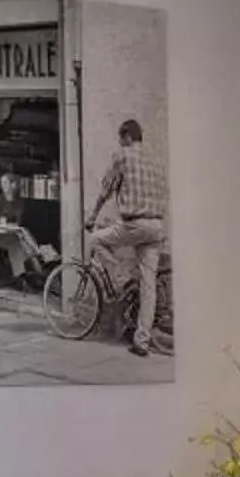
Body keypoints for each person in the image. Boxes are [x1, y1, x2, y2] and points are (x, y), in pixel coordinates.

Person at [86, 117, 168, 356]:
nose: (120, 144)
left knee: (95, 240)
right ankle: (141, 342)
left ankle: (121, 278)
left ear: (127, 137)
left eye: (121, 139)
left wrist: (93, 217)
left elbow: (106, 189)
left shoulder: (122, 156)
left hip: (135, 224)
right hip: (156, 226)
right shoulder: (155, 160)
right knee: (148, 286)